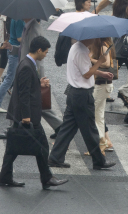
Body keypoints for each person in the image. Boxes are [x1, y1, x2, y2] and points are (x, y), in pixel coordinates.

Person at [0, 35, 68, 189]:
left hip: (21, 114)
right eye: (46, 52)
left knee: (13, 148)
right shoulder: (27, 66)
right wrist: (26, 117)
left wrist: (38, 82)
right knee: (41, 146)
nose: (46, 55)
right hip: (26, 115)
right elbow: (23, 93)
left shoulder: (27, 63)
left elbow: (27, 86)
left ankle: (5, 177)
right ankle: (46, 178)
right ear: (39, 50)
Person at [48, 36, 116, 170]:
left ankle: (55, 158)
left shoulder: (76, 47)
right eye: (94, 38)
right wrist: (100, 61)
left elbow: (84, 70)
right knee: (90, 129)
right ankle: (99, 161)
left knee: (67, 128)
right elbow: (86, 74)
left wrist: (101, 73)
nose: (95, 40)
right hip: (82, 95)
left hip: (74, 93)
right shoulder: (81, 51)